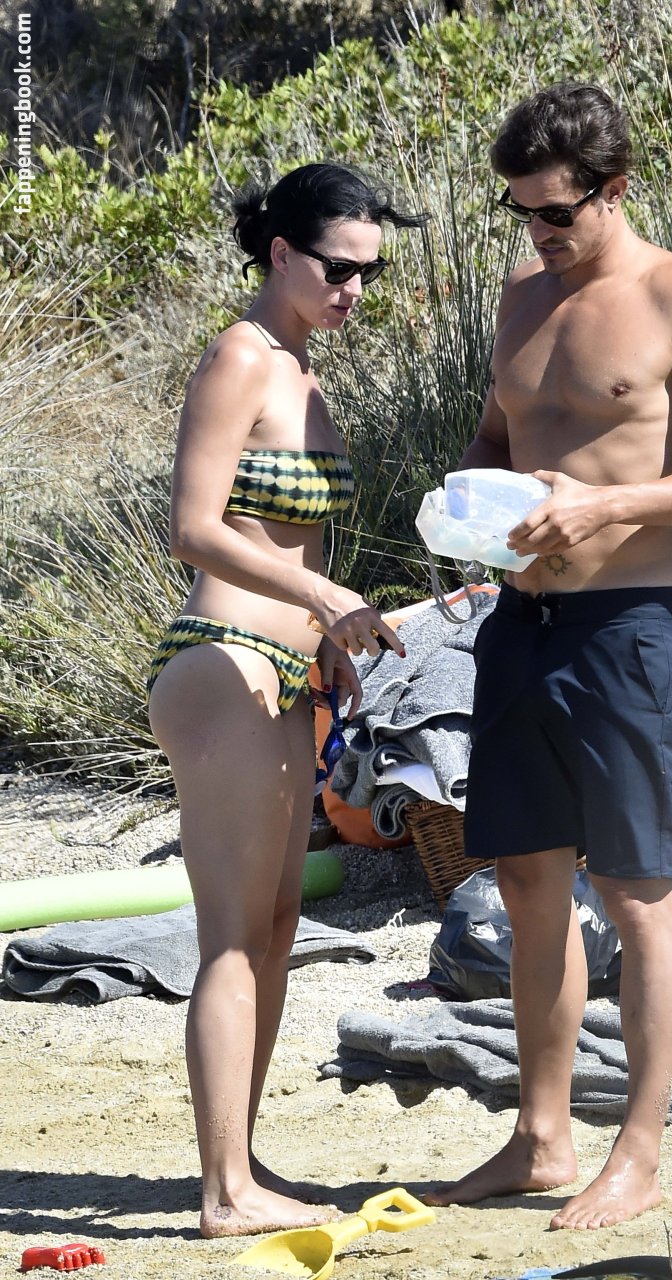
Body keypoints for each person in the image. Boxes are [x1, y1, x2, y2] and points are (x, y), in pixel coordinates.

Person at [423, 83, 672, 1229]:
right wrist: (473, 517)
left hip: (625, 626)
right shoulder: (521, 296)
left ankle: (639, 1152)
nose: (537, 231)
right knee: (528, 884)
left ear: (614, 189)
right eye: (519, 209)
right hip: (517, 626)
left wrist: (604, 504)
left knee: (633, 891)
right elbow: (497, 434)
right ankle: (541, 1136)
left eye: (557, 211)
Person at [146, 163, 424, 1238]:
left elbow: (289, 541)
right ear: (278, 253)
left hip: (286, 670)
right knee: (230, 934)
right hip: (223, 663)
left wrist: (328, 641)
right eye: (337, 268)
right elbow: (195, 527)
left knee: (273, 924)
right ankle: (224, 1192)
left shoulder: (301, 369)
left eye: (368, 273)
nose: (354, 289)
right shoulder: (241, 357)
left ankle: (240, 1161)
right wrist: (320, 596)